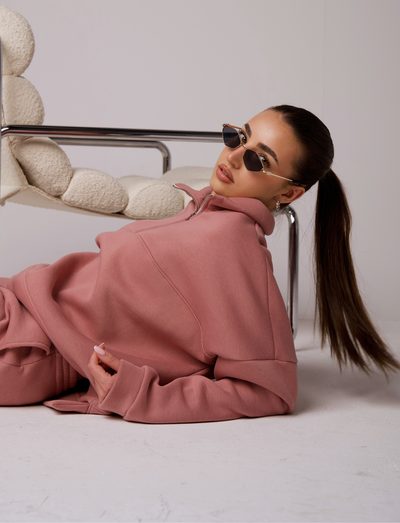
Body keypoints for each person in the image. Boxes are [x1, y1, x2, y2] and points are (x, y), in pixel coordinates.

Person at [0, 105, 398, 423]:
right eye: (238, 137)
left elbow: (270, 390)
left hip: (29, 346)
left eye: (257, 159)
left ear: (290, 193)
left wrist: (140, 394)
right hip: (18, 302)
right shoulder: (206, 209)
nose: (233, 156)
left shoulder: (236, 248)